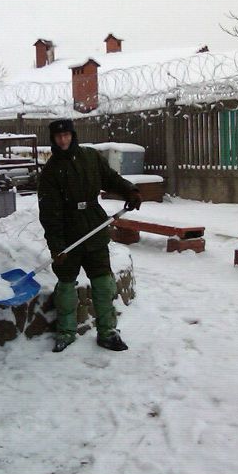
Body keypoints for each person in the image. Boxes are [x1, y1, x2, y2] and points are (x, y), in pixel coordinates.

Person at [38, 118, 142, 353]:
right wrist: (56, 246)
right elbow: (49, 213)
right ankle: (66, 332)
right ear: (54, 139)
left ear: (73, 135)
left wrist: (130, 190)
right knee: (65, 285)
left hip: (94, 224)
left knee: (103, 282)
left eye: (67, 135)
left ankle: (107, 331)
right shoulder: (51, 171)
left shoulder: (90, 157)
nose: (63, 140)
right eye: (58, 136)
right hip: (67, 232)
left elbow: (110, 178)